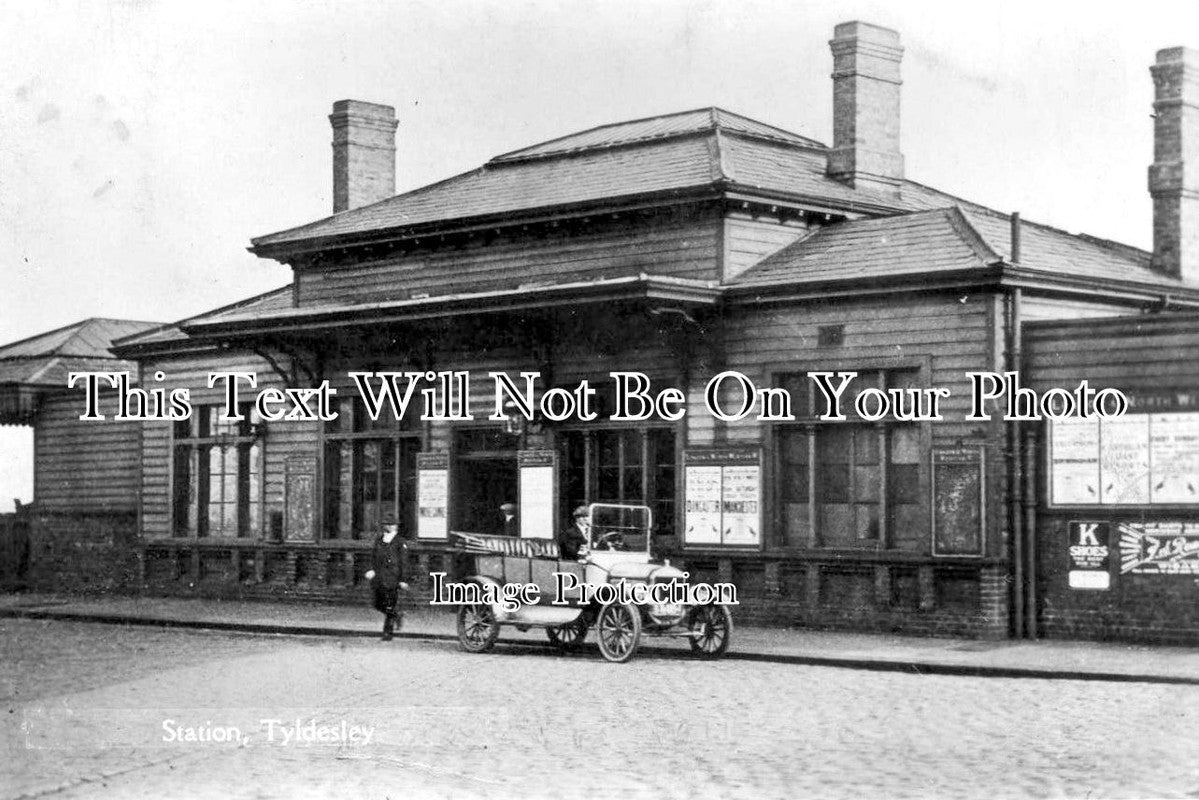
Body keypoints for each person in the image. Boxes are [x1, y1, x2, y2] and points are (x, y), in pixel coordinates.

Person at [364, 524, 408, 641]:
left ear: (396, 527)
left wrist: (403, 580)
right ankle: (396, 615)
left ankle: (388, 633)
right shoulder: (379, 539)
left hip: (392, 578)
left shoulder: (399, 541)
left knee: (390, 605)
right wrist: (370, 569)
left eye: (391, 524)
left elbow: (403, 562)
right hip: (378, 577)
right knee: (377, 603)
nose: (388, 526)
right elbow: (372, 556)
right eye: (387, 524)